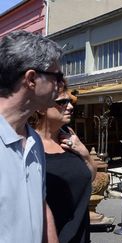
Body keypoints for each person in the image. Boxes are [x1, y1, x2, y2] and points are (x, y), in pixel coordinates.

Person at [0, 30, 64, 243]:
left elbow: (41, 204)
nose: (60, 86)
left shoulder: (34, 140)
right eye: (57, 76)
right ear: (31, 79)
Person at [31, 86, 97, 242]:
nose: (70, 106)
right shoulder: (29, 145)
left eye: (70, 101)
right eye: (62, 102)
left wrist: (85, 154)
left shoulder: (69, 137)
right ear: (41, 108)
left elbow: (90, 177)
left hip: (81, 236)